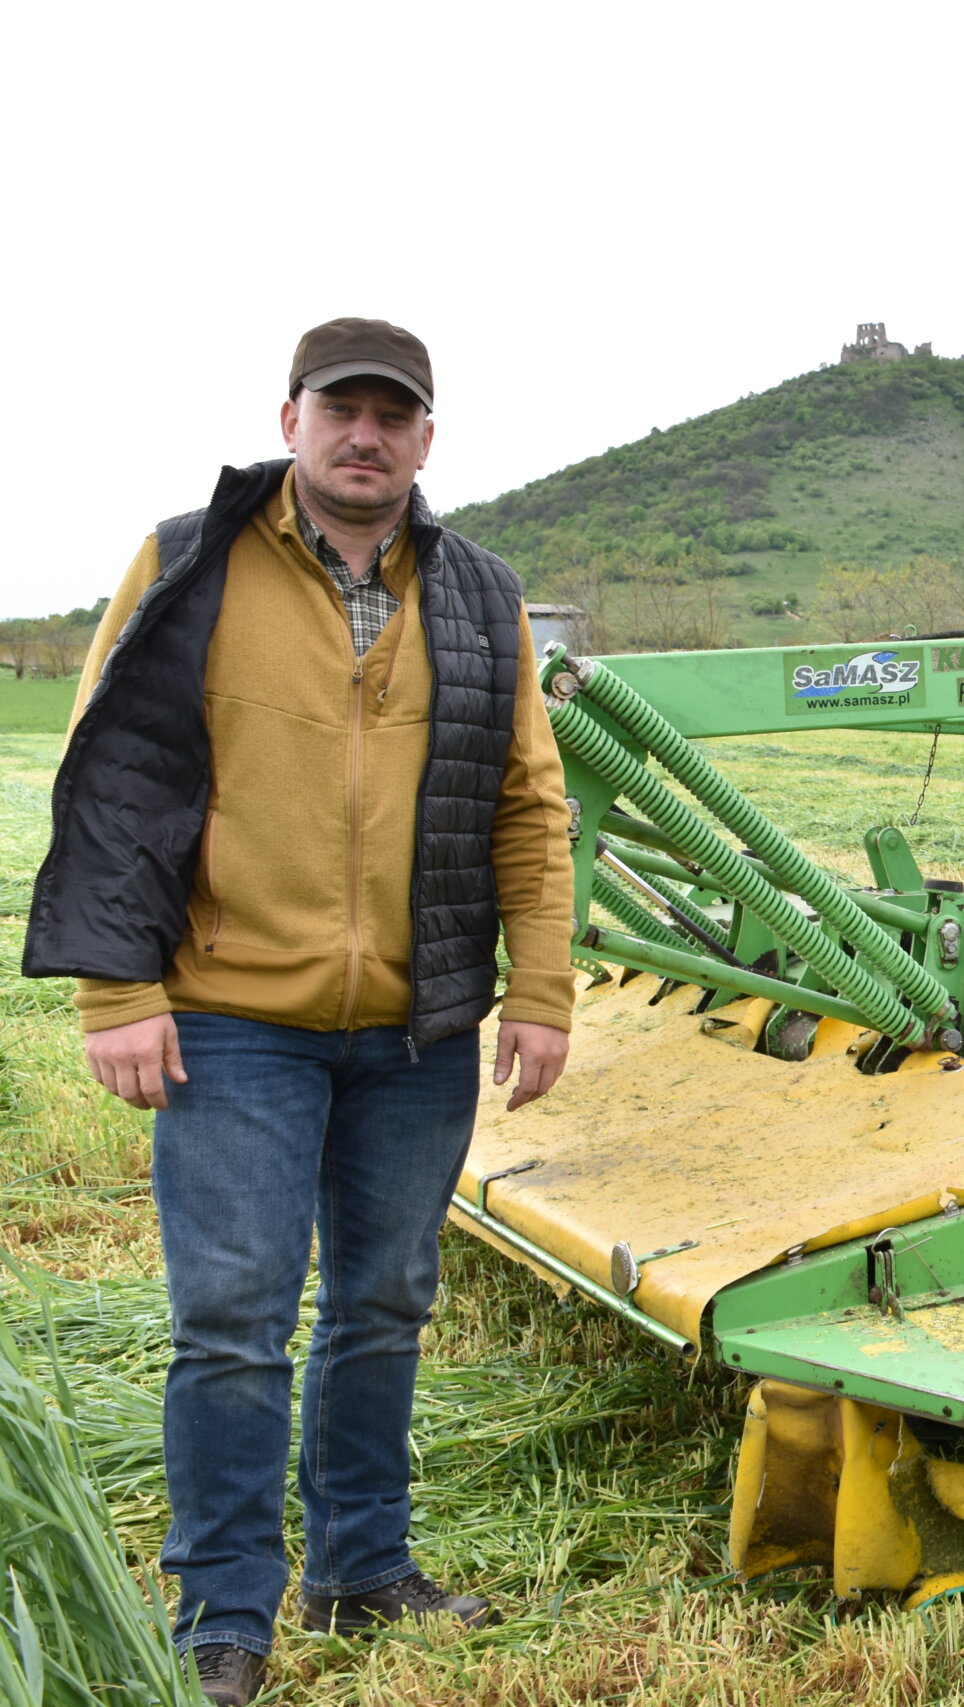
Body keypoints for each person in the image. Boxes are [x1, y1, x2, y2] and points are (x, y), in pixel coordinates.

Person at [23, 319, 578, 1706]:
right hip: (228, 1019)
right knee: (232, 1315)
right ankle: (224, 1608)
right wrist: (117, 989)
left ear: (427, 440)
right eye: (343, 410)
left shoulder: (479, 590)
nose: (366, 436)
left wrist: (544, 990)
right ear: (290, 419)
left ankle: (362, 1567)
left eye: (396, 416)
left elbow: (528, 804)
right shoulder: (188, 559)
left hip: (416, 1028)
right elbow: (113, 773)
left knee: (385, 1303)